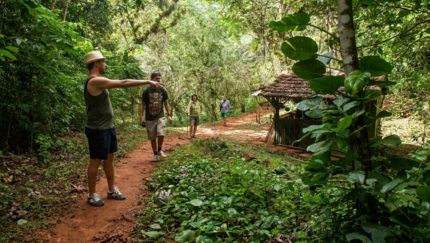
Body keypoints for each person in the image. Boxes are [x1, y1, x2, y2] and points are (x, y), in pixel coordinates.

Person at [83, 50, 162, 206]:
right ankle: (92, 194)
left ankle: (111, 190)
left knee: (110, 158)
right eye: (103, 62)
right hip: (97, 129)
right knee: (95, 161)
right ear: (97, 64)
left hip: (108, 127)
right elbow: (123, 83)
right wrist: (147, 82)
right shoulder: (93, 81)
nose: (105, 65)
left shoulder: (98, 80)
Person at [140, 72, 172, 162]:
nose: (158, 80)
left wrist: (169, 115)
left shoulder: (162, 90)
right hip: (149, 117)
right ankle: (155, 154)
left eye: (159, 79)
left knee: (161, 133)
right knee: (153, 137)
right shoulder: (146, 91)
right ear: (151, 80)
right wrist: (141, 118)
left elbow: (166, 103)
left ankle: (160, 149)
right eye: (156, 79)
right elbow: (142, 104)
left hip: (160, 116)